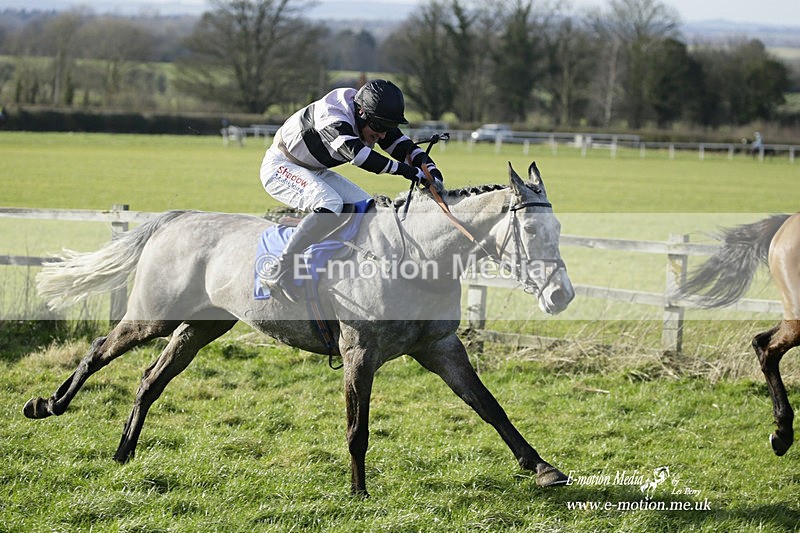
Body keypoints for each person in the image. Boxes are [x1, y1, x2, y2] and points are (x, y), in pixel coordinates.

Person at [259, 79, 444, 302]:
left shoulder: (372, 116)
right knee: (330, 204)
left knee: (368, 209)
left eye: (388, 128)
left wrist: (428, 167)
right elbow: (358, 156)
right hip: (281, 167)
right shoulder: (333, 114)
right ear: (361, 113)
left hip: (314, 169)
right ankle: (279, 269)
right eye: (379, 128)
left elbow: (402, 146)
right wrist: (407, 171)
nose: (383, 135)